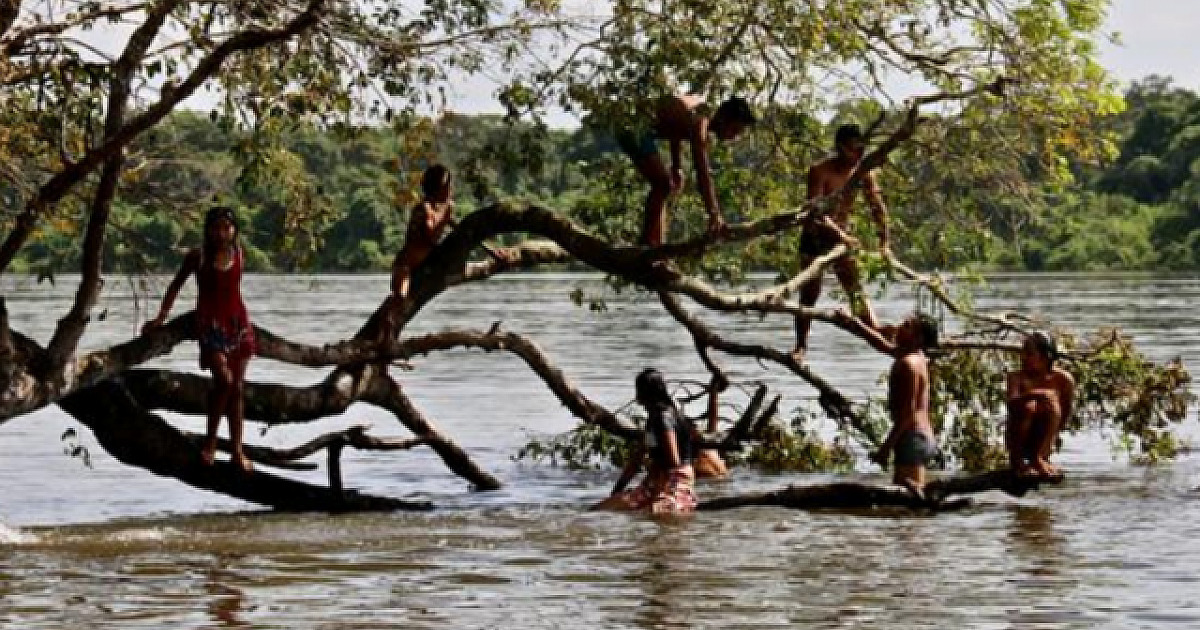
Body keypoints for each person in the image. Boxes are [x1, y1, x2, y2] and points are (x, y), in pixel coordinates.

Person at [143, 206, 256, 473]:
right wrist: (161, 318)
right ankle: (211, 444)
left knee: (237, 389)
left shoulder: (240, 255)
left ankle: (238, 452)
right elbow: (175, 286)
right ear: (208, 230)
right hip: (209, 324)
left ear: (234, 230)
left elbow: (232, 293)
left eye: (227, 228)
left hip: (238, 325)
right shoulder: (198, 257)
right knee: (224, 381)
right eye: (216, 228)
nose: (221, 233)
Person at [793, 123, 892, 360]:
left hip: (841, 239)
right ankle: (801, 346)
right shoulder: (820, 171)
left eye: (860, 150)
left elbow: (878, 208)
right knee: (809, 295)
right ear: (839, 148)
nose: (857, 155)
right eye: (851, 150)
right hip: (816, 236)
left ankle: (877, 332)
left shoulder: (863, 173)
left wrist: (884, 244)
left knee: (855, 289)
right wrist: (840, 235)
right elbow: (815, 212)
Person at [616, 95, 756, 246]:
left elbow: (675, 128)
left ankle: (655, 246)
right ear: (723, 118)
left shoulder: (699, 114)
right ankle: (647, 246)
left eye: (738, 133)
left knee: (663, 186)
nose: (733, 136)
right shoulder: (701, 122)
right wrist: (714, 214)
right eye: (734, 129)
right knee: (662, 185)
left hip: (636, 125)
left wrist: (676, 166)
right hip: (631, 125)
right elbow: (702, 174)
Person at [853, 312, 940, 499]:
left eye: (907, 326)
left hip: (913, 437)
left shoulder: (909, 364)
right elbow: (881, 344)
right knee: (908, 502)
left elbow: (908, 414)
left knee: (910, 503)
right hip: (919, 437)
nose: (899, 326)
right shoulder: (916, 357)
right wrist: (856, 324)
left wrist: (885, 448)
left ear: (918, 338)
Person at [595, 368, 699, 514]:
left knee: (655, 512)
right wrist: (617, 491)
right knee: (604, 508)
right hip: (657, 479)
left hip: (676, 478)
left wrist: (657, 483)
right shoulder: (653, 418)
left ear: (647, 393)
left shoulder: (664, 418)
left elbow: (673, 461)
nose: (637, 395)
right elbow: (637, 458)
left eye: (639, 390)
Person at [1006, 332, 1075, 478]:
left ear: (1045, 358)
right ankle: (1019, 462)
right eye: (1023, 353)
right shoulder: (1016, 378)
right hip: (1019, 440)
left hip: (1044, 440)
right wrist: (1034, 394)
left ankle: (1039, 458)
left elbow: (1064, 415)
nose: (1023, 358)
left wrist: (1052, 441)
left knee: (1052, 403)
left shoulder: (1063, 379)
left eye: (1029, 354)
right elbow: (1011, 404)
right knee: (1029, 406)